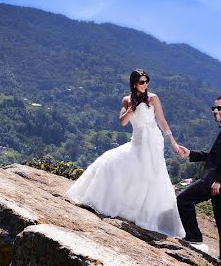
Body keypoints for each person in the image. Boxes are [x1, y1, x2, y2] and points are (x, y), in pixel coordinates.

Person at [66, 69, 187, 237]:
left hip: (153, 139)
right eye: (142, 82)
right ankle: (119, 205)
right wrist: (131, 108)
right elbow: (122, 122)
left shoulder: (153, 98)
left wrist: (173, 142)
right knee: (110, 160)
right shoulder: (126, 100)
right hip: (137, 140)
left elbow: (162, 120)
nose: (145, 85)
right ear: (134, 84)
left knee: (151, 174)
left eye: (147, 82)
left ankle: (146, 215)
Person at [176, 95, 221, 265]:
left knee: (183, 200)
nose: (215, 111)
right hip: (219, 182)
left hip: (216, 182)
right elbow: (215, 156)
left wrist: (219, 181)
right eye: (213, 108)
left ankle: (194, 237)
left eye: (219, 108)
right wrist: (191, 154)